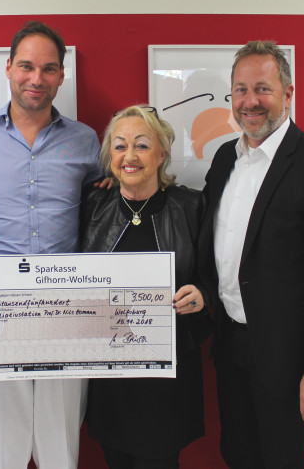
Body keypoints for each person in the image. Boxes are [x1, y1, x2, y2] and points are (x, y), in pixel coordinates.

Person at [0, 20, 104, 469]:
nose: (36, 78)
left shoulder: (85, 140)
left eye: (48, 69)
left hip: (66, 305)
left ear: (61, 76)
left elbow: (99, 207)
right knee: (3, 451)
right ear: (8, 68)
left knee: (60, 446)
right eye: (26, 66)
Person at [198, 41, 304, 468]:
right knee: (238, 455)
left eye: (262, 89)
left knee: (283, 461)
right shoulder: (223, 160)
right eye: (240, 90)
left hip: (292, 359)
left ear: (288, 94)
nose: (250, 101)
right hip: (231, 346)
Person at [80, 105, 209, 468]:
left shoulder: (191, 206)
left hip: (167, 378)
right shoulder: (91, 205)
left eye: (141, 145)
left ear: (162, 152)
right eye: (119, 147)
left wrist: (202, 295)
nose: (130, 156)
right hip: (110, 380)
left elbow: (214, 275)